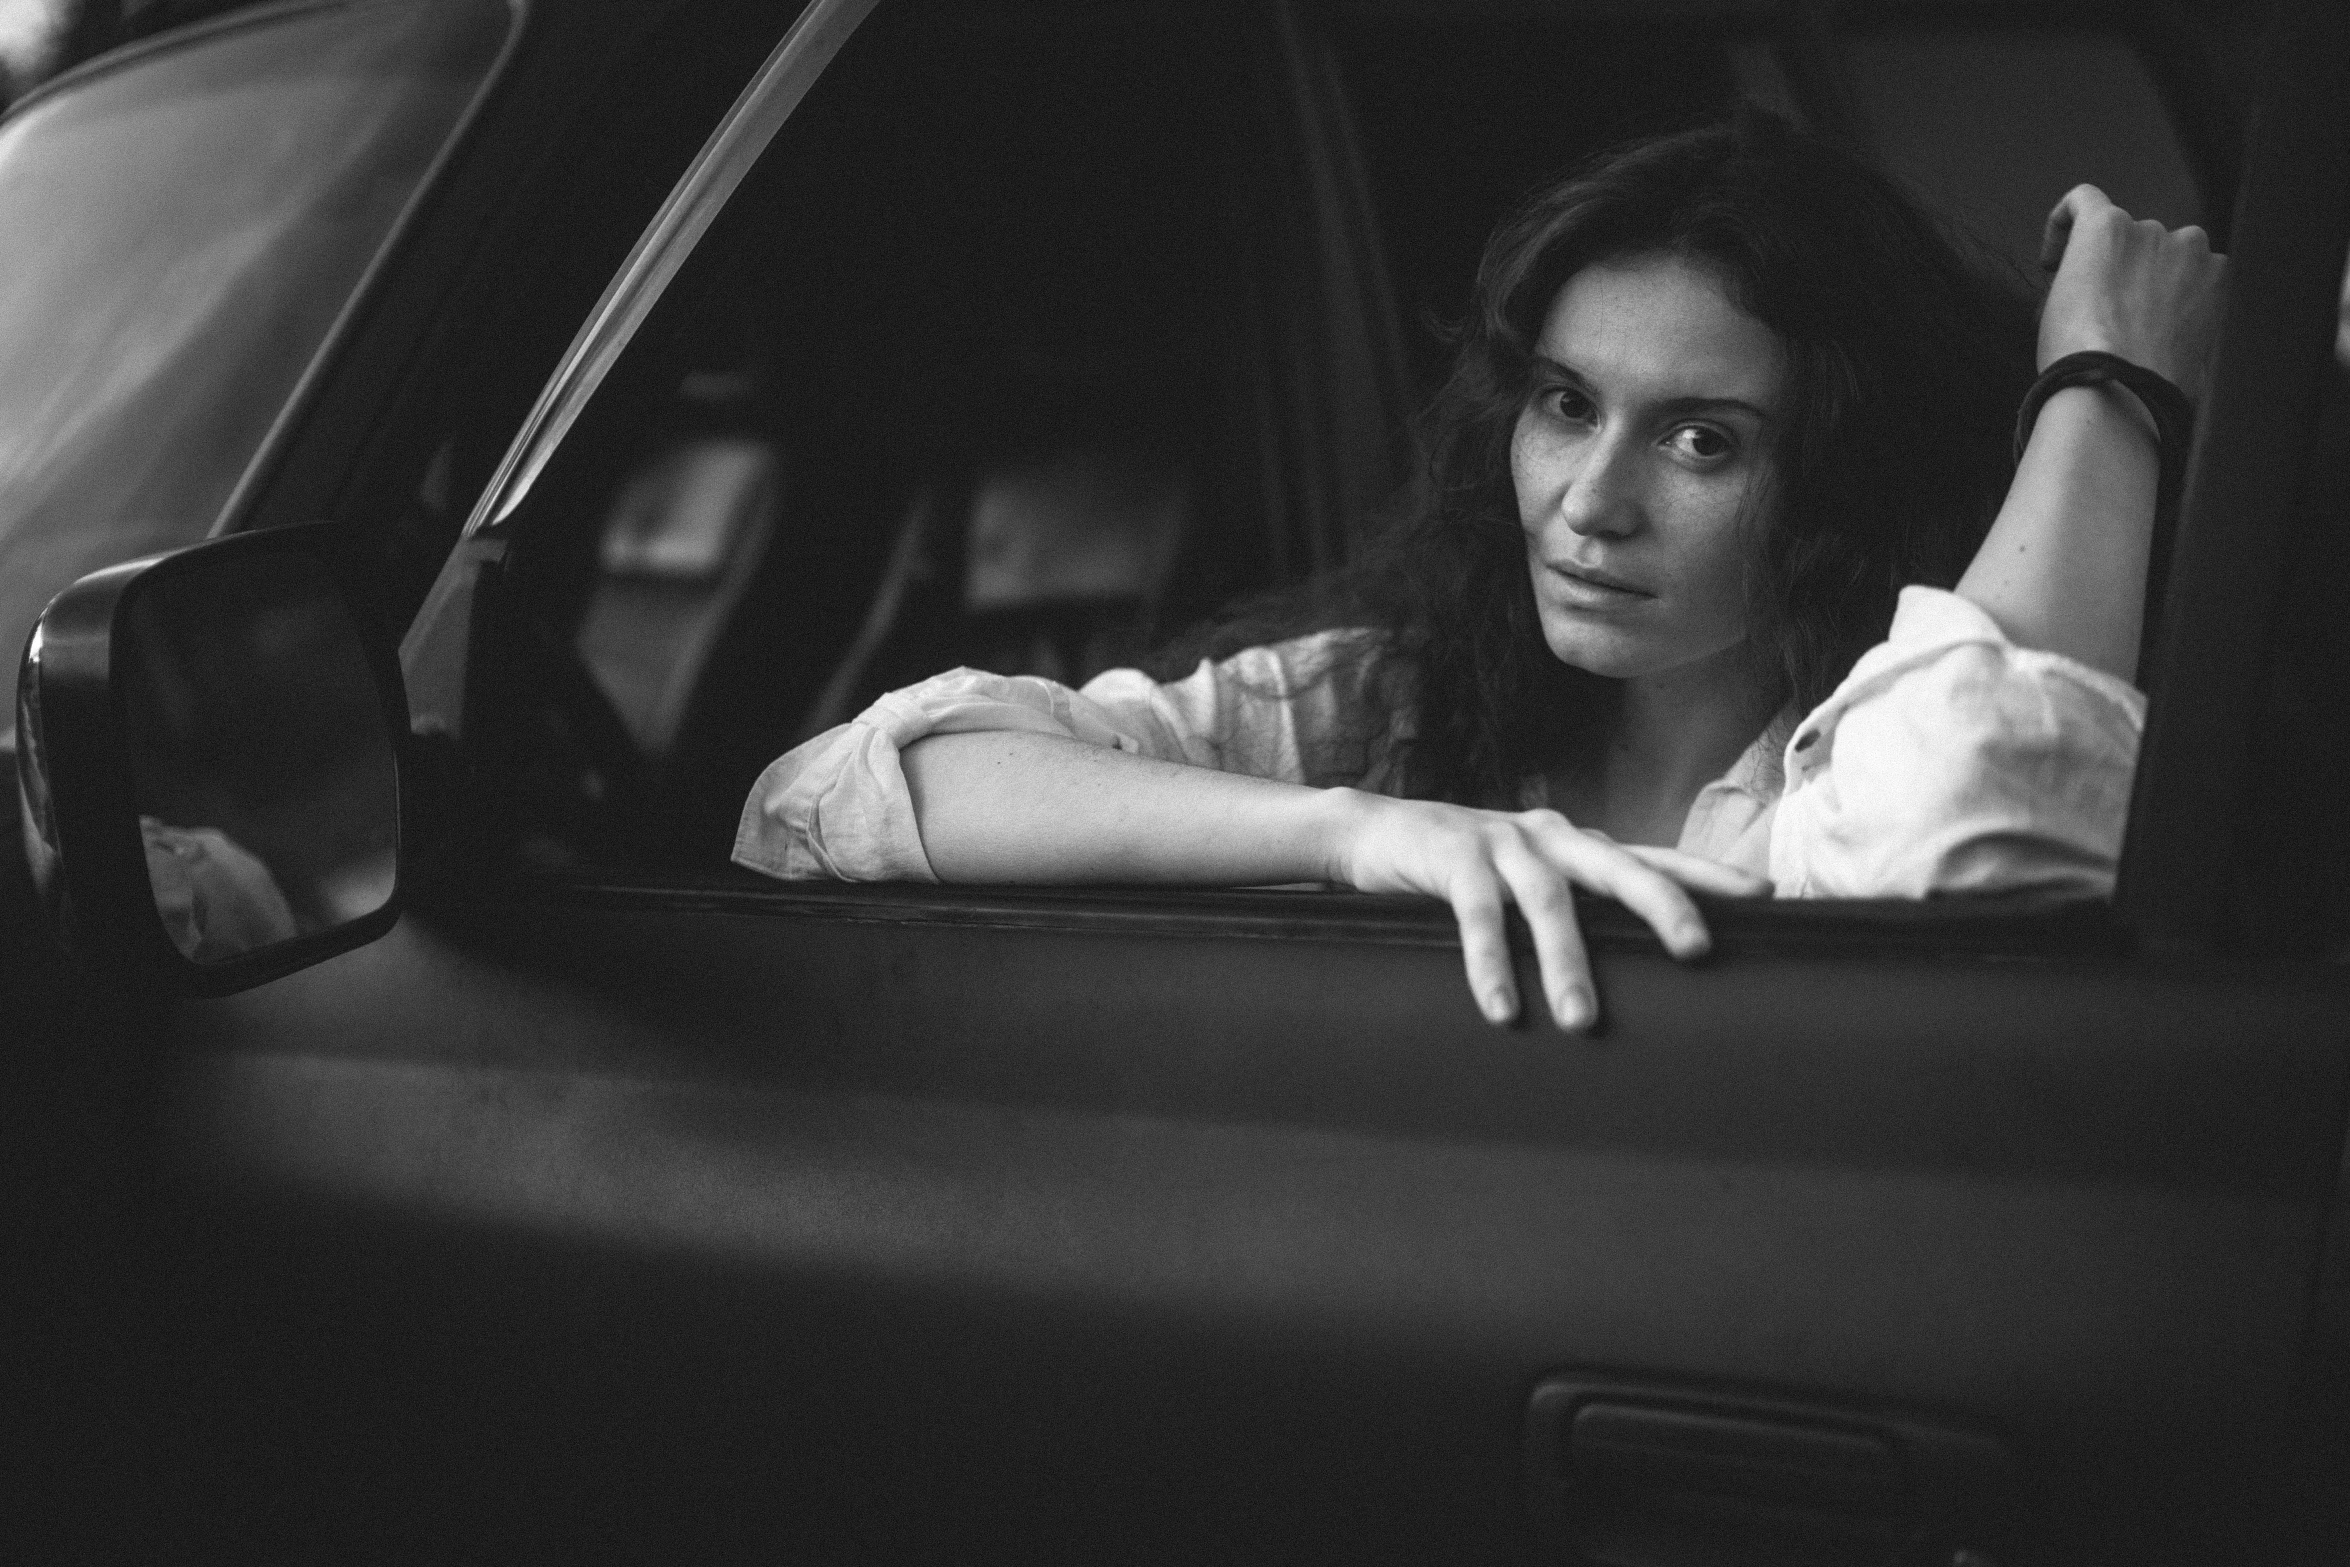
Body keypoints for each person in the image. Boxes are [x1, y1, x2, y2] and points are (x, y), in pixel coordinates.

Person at [734, 113, 2224, 1032]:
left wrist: (2103, 385)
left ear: (1842, 477)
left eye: (1701, 442)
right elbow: (836, 798)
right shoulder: (1399, 703)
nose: (1589, 503)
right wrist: (1358, 834)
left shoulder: (1866, 763)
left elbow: (1982, 800)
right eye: (1566, 406)